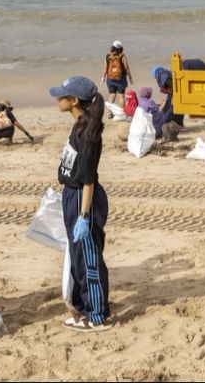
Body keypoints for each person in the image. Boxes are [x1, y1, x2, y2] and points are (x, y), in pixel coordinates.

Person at [48, 76, 111, 332]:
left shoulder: (88, 134)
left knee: (88, 258)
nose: (57, 99)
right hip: (71, 195)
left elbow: (88, 181)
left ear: (73, 101)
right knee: (77, 257)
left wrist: (84, 217)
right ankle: (82, 307)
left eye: (61, 95)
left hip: (82, 200)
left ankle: (96, 315)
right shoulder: (79, 126)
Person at [101, 41, 133, 108]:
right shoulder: (122, 56)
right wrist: (130, 78)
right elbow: (126, 67)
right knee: (121, 96)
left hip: (110, 79)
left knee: (111, 96)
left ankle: (110, 113)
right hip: (121, 79)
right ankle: (122, 113)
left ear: (112, 47)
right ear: (121, 48)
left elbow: (105, 68)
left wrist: (103, 77)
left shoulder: (108, 56)